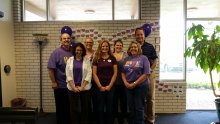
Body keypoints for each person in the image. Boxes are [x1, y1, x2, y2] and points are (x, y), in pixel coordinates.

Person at [47, 26, 73, 124]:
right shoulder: (56, 53)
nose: (66, 40)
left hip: (71, 85)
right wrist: (53, 82)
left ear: (70, 39)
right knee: (61, 107)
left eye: (68, 38)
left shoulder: (73, 51)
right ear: (61, 40)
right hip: (60, 85)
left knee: (69, 107)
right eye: (64, 38)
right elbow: (50, 68)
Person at [121, 41, 150, 124]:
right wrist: (126, 83)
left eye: (135, 47)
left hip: (140, 87)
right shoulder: (126, 59)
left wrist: (134, 83)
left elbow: (146, 73)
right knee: (131, 107)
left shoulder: (144, 58)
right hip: (128, 87)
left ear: (138, 48)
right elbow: (122, 72)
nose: (133, 48)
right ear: (130, 49)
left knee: (139, 107)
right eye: (132, 47)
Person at [135, 27, 158, 124]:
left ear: (144, 36)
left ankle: (150, 118)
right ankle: (142, 116)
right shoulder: (133, 46)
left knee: (150, 97)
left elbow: (155, 60)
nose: (140, 36)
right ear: (135, 36)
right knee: (140, 97)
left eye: (141, 34)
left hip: (149, 74)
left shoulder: (150, 46)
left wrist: (150, 70)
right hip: (137, 75)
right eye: (138, 34)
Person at [66, 42, 92, 124]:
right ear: (74, 50)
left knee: (85, 108)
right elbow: (68, 74)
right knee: (73, 108)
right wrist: (73, 87)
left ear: (83, 51)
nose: (79, 51)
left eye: (80, 50)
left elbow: (89, 74)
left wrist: (82, 87)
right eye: (77, 50)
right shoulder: (70, 60)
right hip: (72, 88)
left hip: (85, 88)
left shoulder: (86, 60)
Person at [92, 40, 117, 124]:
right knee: (100, 107)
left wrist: (110, 86)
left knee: (109, 107)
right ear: (100, 47)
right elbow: (94, 74)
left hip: (110, 86)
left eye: (106, 46)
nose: (104, 48)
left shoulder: (112, 58)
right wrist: (100, 86)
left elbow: (115, 73)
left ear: (109, 47)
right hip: (99, 86)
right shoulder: (97, 58)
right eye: (103, 46)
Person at [112, 39, 128, 124]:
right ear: (114, 46)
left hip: (123, 82)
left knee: (123, 101)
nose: (118, 46)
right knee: (114, 101)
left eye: (120, 45)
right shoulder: (110, 55)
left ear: (122, 46)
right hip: (113, 83)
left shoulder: (126, 55)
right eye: (117, 45)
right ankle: (114, 117)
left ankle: (123, 118)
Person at [83, 37, 97, 124]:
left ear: (93, 43)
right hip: (85, 81)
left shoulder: (96, 53)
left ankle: (95, 118)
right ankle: (87, 119)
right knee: (86, 101)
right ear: (85, 43)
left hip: (94, 80)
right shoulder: (82, 53)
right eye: (87, 42)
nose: (89, 44)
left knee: (95, 100)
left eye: (90, 42)